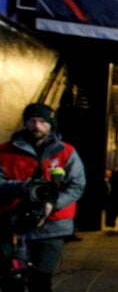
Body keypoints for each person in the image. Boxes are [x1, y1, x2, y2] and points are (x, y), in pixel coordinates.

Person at [0, 103, 86, 292]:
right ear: (25, 123)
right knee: (9, 280)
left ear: (51, 124)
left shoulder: (66, 152)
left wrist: (52, 203)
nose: (37, 126)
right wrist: (23, 187)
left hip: (52, 228)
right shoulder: (4, 152)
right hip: (12, 224)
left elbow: (77, 185)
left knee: (41, 279)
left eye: (42, 121)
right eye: (32, 121)